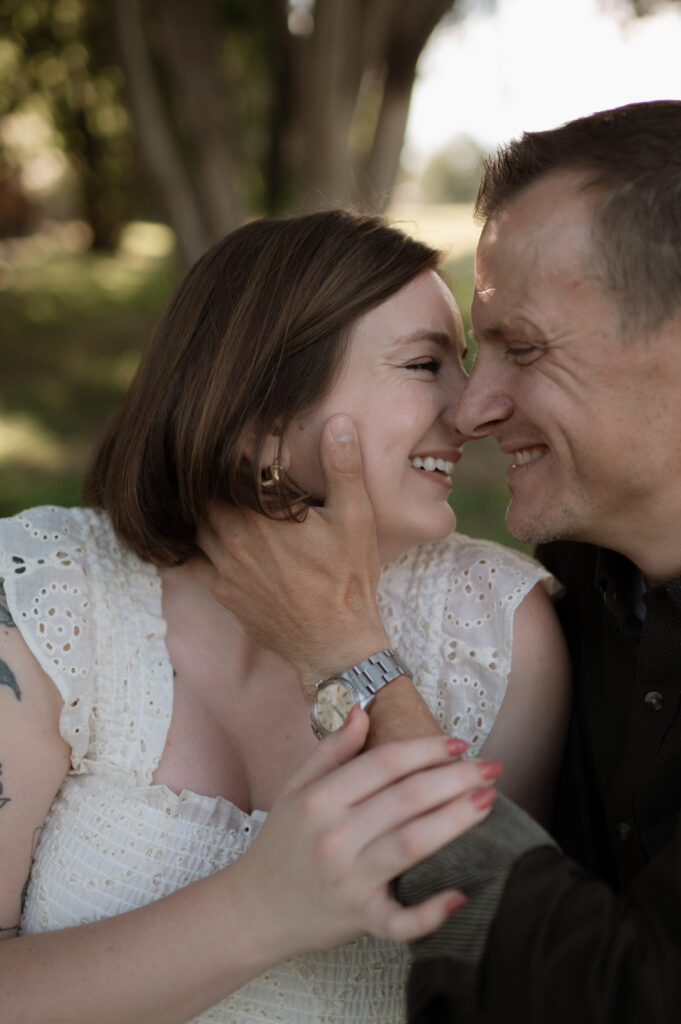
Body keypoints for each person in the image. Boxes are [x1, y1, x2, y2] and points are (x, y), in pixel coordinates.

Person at [0, 209, 569, 1023]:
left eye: (465, 364)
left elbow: (518, 977)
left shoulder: (497, 630)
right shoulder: (47, 594)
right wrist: (254, 910)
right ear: (259, 409)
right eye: (422, 364)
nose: (472, 406)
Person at [197, 100, 681, 1022]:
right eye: (459, 356)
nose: (471, 410)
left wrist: (352, 659)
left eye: (522, 348)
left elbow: (620, 998)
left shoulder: (509, 621)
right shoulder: (573, 583)